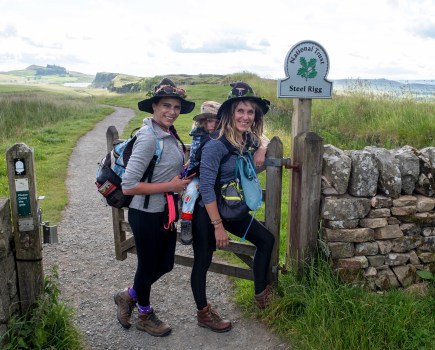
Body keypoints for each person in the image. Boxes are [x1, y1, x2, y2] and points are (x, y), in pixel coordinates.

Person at [190, 81, 275, 333]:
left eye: (250, 112)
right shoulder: (215, 144)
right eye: (240, 111)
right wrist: (218, 227)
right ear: (229, 113)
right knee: (202, 261)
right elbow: (206, 188)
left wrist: (261, 147)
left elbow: (265, 138)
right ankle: (203, 313)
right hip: (208, 211)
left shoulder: (245, 139)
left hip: (231, 207)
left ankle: (261, 295)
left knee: (266, 240)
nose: (246, 116)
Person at [114, 78, 195, 337]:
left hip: (164, 212)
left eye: (176, 107)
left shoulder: (168, 133)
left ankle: (128, 295)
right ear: (154, 107)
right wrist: (170, 186)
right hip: (145, 213)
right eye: (166, 105)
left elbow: (162, 172)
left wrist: (180, 179)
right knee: (148, 266)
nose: (172, 111)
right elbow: (128, 186)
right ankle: (145, 315)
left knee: (167, 263)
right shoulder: (149, 137)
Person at [179, 101, 221, 245]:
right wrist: (188, 166)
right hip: (197, 173)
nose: (213, 125)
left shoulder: (221, 137)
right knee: (190, 192)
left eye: (217, 121)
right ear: (203, 122)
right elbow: (195, 156)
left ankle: (223, 225)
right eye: (209, 121)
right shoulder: (198, 136)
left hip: (213, 175)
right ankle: (186, 221)